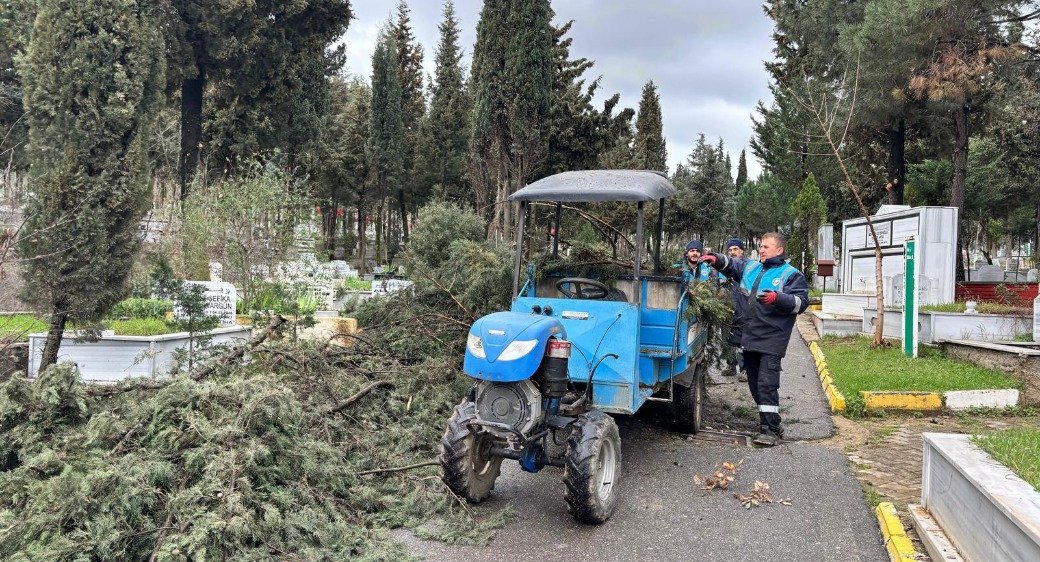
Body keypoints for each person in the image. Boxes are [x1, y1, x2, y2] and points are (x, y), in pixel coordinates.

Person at [699, 232, 809, 447]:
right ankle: (769, 419)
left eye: (766, 247)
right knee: (755, 384)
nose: (761, 250)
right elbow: (732, 265)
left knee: (767, 384)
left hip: (772, 338)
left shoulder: (791, 275)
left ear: (779, 250)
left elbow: (801, 302)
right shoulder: (751, 267)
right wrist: (717, 259)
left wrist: (778, 299)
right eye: (760, 246)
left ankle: (771, 430)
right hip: (749, 337)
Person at [720, 238, 745, 378]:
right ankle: (731, 365)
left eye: (735, 249)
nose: (732, 252)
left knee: (743, 340)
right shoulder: (724, 268)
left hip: (743, 309)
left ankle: (745, 369)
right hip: (727, 309)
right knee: (726, 338)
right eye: (730, 250)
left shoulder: (748, 267)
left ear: (741, 250)